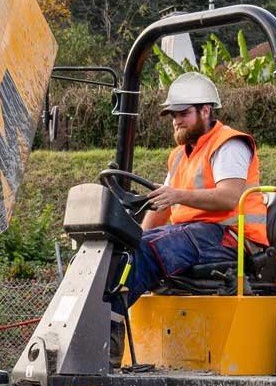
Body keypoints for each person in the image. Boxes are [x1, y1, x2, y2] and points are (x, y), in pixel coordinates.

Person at [112, 73, 267, 353]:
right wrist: (134, 239)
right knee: (124, 250)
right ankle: (100, 324)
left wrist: (176, 197)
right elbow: (162, 206)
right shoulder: (180, 155)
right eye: (173, 115)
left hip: (231, 239)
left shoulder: (228, 144)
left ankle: (105, 338)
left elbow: (230, 196)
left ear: (205, 111)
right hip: (195, 237)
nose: (176, 121)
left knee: (150, 250)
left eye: (183, 113)